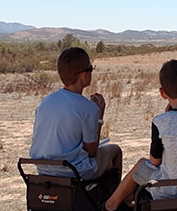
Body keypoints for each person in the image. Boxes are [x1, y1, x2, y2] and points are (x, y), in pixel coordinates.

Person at [103, 59, 177, 211]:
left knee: (141, 165)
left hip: (171, 190)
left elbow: (155, 161)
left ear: (163, 93)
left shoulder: (161, 122)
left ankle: (110, 206)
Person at [29, 47, 122, 181]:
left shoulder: (45, 103)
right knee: (115, 150)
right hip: (73, 171)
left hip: (43, 169)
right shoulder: (88, 108)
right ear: (83, 75)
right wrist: (99, 117)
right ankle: (114, 200)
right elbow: (92, 151)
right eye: (91, 69)